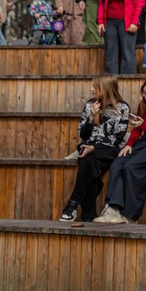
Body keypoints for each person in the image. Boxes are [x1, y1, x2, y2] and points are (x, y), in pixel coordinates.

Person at [94, 76, 146, 224]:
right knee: (118, 163)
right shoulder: (142, 105)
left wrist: (143, 126)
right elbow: (136, 131)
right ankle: (112, 207)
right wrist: (129, 145)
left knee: (131, 166)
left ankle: (130, 214)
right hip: (145, 141)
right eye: (144, 93)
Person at [59, 75, 131, 222]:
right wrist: (91, 118)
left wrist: (94, 146)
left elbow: (116, 139)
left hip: (109, 149)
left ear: (105, 89)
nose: (91, 89)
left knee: (88, 158)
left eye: (94, 86)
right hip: (89, 148)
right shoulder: (89, 105)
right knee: (89, 159)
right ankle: (88, 215)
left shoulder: (122, 108)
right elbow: (83, 134)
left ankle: (73, 204)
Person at [96, 0, 146, 74]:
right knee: (110, 53)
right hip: (109, 23)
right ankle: (111, 82)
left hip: (127, 23)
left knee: (127, 53)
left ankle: (128, 82)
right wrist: (100, 22)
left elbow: (139, 6)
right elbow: (101, 3)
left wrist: (134, 22)